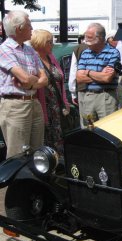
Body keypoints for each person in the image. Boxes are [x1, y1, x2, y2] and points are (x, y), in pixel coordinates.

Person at [0, 10, 48, 158]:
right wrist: (32, 80)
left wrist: (30, 83)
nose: (32, 28)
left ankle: (33, 182)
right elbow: (26, 79)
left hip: (34, 103)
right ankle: (17, 183)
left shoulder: (29, 50)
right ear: (19, 28)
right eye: (29, 24)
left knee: (37, 152)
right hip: (15, 107)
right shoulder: (4, 49)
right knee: (18, 155)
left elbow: (44, 79)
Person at [30, 29, 70, 156]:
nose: (52, 45)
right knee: (45, 138)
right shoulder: (32, 58)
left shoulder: (51, 57)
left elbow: (60, 80)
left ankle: (59, 166)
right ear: (40, 43)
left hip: (56, 106)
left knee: (59, 137)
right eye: (50, 42)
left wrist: (64, 101)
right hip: (43, 107)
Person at [76, 23, 120, 127]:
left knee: (108, 129)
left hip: (106, 97)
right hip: (88, 96)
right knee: (89, 131)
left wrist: (88, 72)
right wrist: (100, 74)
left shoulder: (113, 52)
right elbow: (79, 78)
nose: (86, 40)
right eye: (85, 37)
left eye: (89, 37)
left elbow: (107, 78)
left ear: (100, 38)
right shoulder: (85, 53)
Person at [68, 35, 88, 109]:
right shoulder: (106, 46)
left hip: (83, 88)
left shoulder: (78, 48)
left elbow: (73, 71)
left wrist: (73, 92)